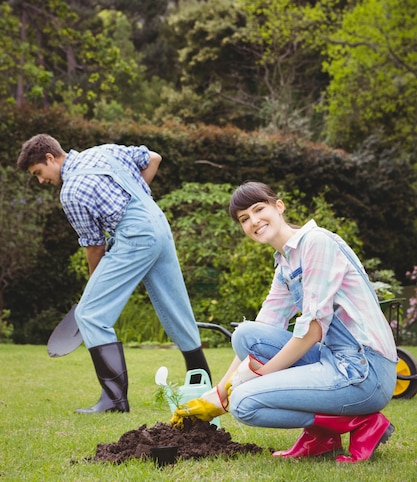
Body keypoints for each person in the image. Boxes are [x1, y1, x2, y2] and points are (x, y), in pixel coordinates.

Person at [171, 181, 398, 464]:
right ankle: (322, 437)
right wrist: (219, 391)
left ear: (279, 206)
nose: (253, 221)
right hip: (334, 358)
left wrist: (256, 378)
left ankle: (362, 424)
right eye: (244, 219)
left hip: (365, 370)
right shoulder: (286, 263)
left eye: (258, 209)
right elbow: (266, 324)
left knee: (244, 402)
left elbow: (313, 329)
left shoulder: (316, 242)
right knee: (245, 335)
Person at [17, 134, 211, 414]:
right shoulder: (103, 151)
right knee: (175, 308)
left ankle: (114, 400)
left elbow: (94, 246)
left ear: (50, 158)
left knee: (91, 313)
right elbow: (153, 157)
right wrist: (134, 203)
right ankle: (203, 382)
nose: (40, 180)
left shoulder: (71, 191)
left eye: (39, 173)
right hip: (157, 222)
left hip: (135, 235)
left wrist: (95, 287)